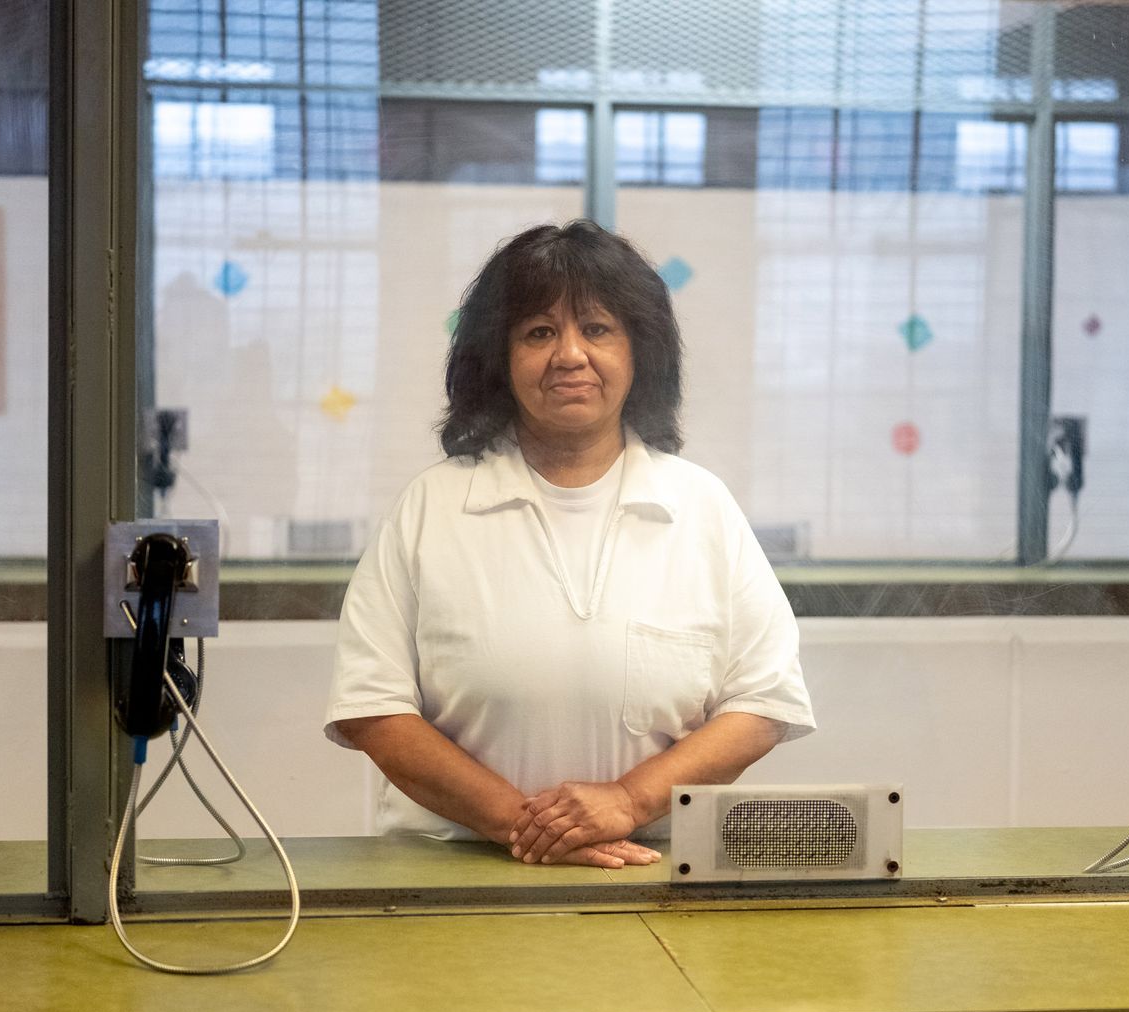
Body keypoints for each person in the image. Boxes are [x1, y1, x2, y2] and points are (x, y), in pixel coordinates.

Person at [324, 220, 814, 869]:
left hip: (651, 867)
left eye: (598, 329)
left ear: (641, 352)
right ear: (499, 359)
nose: (570, 355)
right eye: (539, 332)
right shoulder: (431, 508)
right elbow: (373, 709)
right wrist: (529, 828)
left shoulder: (701, 508)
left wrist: (630, 801)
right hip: (453, 869)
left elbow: (763, 702)